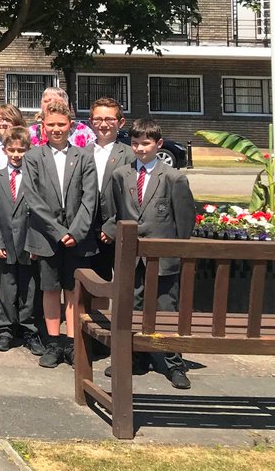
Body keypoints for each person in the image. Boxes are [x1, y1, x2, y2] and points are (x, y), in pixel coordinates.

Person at [101, 119, 196, 389]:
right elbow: (119, 210)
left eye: (146, 143)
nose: (140, 148)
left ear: (158, 144)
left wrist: (176, 251)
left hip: (164, 256)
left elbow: (185, 221)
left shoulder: (174, 178)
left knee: (166, 308)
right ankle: (135, 358)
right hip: (131, 256)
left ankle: (174, 362)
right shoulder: (122, 175)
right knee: (131, 307)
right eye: (135, 143)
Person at [24, 99, 97, 369]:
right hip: (47, 236)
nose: (56, 129)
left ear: (71, 126)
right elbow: (33, 198)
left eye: (61, 124)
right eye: (51, 124)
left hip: (77, 238)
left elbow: (90, 198)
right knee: (51, 289)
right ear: (42, 126)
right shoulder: (33, 157)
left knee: (73, 291)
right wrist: (57, 231)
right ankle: (53, 343)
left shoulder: (83, 156)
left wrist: (76, 231)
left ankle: (71, 343)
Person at [0, 127, 39, 353]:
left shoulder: (35, 178)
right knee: (7, 287)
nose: (16, 154)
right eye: (12, 150)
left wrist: (36, 243)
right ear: (4, 150)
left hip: (28, 242)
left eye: (21, 150)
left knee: (29, 288)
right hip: (4, 242)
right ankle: (6, 329)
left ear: (28, 150)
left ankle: (29, 329)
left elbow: (39, 213)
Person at [88, 96, 131, 283]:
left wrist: (112, 227)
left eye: (109, 119)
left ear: (120, 122)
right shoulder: (80, 153)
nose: (103, 124)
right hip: (87, 230)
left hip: (117, 228)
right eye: (98, 119)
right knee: (91, 282)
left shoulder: (130, 155)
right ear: (91, 122)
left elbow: (132, 198)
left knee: (123, 283)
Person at [28, 87, 95, 148]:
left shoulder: (84, 132)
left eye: (56, 101)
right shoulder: (30, 133)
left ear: (66, 105)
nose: (51, 104)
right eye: (47, 101)